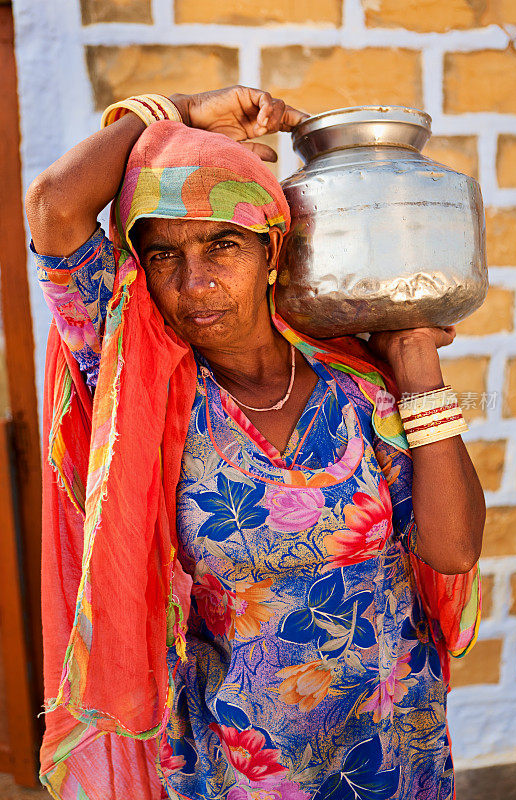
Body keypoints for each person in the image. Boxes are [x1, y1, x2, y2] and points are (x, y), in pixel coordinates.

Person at [26, 86, 485, 800]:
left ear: (271, 247)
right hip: (237, 764)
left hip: (392, 744)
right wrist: (174, 111)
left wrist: (416, 366)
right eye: (162, 255)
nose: (195, 282)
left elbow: (452, 549)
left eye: (222, 244)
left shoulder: (355, 383)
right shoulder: (145, 391)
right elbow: (55, 203)